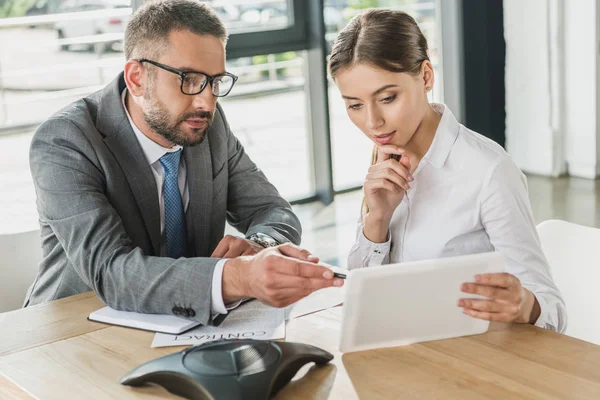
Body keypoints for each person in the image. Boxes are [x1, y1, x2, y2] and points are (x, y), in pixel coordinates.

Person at [25, 0, 343, 325]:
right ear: (137, 78)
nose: (207, 101)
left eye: (215, 81)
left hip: (185, 325)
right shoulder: (65, 140)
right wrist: (235, 277)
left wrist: (257, 245)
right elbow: (110, 272)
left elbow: (273, 211)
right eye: (189, 79)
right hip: (75, 332)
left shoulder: (208, 125)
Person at [329, 9, 565, 332]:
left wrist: (525, 305)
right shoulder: (383, 162)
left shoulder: (489, 172)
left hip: (469, 363)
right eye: (354, 105)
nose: (372, 122)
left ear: (426, 77)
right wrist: (377, 220)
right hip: (401, 353)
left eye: (387, 98)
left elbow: (553, 311)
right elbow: (361, 302)